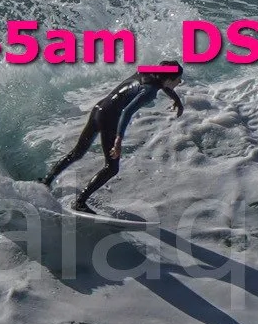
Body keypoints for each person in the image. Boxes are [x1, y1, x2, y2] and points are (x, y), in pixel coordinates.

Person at [46, 62, 184, 212]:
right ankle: (80, 202)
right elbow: (127, 112)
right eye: (178, 79)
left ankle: (46, 182)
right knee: (112, 167)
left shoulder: (147, 71)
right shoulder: (149, 91)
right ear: (170, 78)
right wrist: (118, 139)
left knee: (77, 152)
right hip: (109, 119)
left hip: (99, 110)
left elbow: (163, 83)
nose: (180, 82)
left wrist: (176, 99)